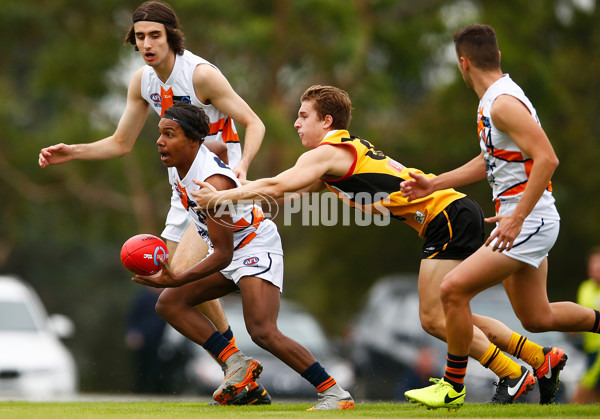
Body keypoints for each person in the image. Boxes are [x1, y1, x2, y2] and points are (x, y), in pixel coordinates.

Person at [191, 84, 565, 404]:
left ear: (327, 122)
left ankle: (512, 374)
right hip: (451, 215)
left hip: (446, 216)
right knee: (447, 312)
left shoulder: (325, 153)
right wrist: (241, 205)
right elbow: (287, 197)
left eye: (303, 115)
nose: (296, 123)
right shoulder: (335, 157)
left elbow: (276, 185)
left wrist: (224, 197)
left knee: (434, 317)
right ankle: (534, 356)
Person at [37, 1, 267, 404]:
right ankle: (238, 368)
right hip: (183, 192)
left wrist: (243, 168)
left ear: (171, 37)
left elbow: (254, 122)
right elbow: (120, 143)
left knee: (180, 275)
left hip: (216, 191)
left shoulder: (201, 75)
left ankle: (238, 361)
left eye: (154, 35)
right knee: (177, 275)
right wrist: (71, 151)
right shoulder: (142, 82)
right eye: (140, 36)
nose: (146, 43)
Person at [401, 24, 600, 410]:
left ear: (463, 63)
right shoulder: (493, 100)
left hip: (529, 220)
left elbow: (548, 159)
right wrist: (434, 182)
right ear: (497, 57)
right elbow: (487, 161)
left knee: (452, 290)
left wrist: (516, 217)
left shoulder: (503, 103)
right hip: (525, 219)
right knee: (537, 317)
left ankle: (452, 386)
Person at [132, 102, 355, 410]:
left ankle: (334, 392)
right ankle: (238, 365)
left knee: (263, 331)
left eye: (169, 134)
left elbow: (223, 255)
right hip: (230, 249)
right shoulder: (180, 166)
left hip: (253, 247)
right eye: (160, 133)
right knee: (169, 303)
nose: (160, 141)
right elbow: (215, 154)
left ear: (193, 140)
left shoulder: (213, 183)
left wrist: (178, 277)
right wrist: (168, 262)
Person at [572, 247, 600, 403]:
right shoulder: (584, 288)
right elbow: (580, 317)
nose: (597, 269)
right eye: (594, 266)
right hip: (588, 350)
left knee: (581, 394)